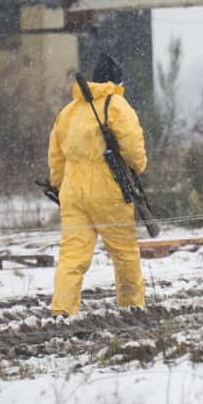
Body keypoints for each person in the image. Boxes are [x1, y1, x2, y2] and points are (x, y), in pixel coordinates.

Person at [49, 53, 147, 317]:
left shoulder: (68, 111)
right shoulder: (116, 105)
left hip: (71, 190)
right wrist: (138, 168)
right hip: (108, 188)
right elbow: (133, 148)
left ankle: (62, 310)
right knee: (124, 252)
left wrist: (59, 185)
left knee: (72, 254)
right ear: (116, 79)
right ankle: (131, 306)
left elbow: (56, 156)